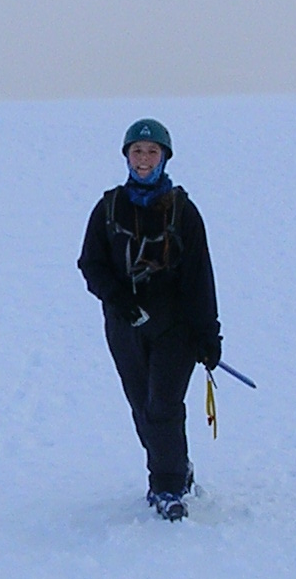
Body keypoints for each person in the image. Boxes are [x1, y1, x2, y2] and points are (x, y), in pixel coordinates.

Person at [78, 118, 222, 520]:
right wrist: (118, 298)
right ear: (127, 156)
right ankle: (175, 466)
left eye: (152, 151)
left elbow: (200, 276)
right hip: (124, 326)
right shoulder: (108, 208)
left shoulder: (184, 212)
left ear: (165, 157)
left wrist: (208, 334)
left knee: (163, 405)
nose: (144, 159)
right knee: (142, 406)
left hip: (175, 327)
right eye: (137, 151)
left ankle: (167, 486)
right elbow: (91, 264)